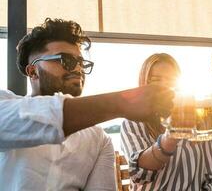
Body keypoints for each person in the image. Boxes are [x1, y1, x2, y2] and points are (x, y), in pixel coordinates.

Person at [0, 18, 173, 190]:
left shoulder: (99, 139)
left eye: (81, 63)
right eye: (65, 60)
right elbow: (19, 120)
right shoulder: (5, 103)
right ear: (33, 71)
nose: (77, 69)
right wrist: (120, 103)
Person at [121, 53, 212, 190]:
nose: (165, 86)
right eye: (156, 80)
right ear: (143, 84)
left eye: (171, 80)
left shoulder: (197, 118)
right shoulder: (133, 122)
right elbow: (140, 175)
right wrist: (170, 138)